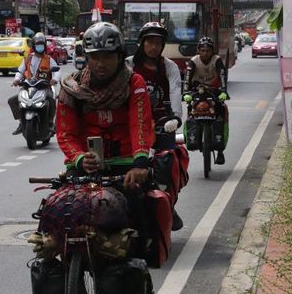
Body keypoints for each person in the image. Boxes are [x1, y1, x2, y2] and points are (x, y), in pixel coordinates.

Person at [56, 21, 154, 190]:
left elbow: (139, 124)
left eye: (107, 57)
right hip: (82, 167)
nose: (100, 64)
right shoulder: (71, 88)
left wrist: (140, 164)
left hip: (127, 163)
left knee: (151, 207)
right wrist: (80, 158)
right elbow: (65, 134)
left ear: (120, 56)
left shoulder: (134, 82)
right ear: (87, 58)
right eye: (94, 57)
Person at [125, 22, 186, 231]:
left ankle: (168, 202)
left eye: (158, 43)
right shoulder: (128, 65)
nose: (154, 47)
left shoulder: (170, 67)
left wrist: (176, 118)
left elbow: (176, 91)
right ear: (141, 43)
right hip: (133, 126)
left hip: (162, 125)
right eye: (150, 42)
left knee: (166, 164)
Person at [184, 36, 229, 165]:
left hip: (213, 90)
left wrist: (224, 91)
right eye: (202, 50)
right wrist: (185, 93)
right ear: (198, 50)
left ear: (212, 51)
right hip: (196, 89)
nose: (205, 53)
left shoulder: (217, 60)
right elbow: (187, 79)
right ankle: (193, 137)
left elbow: (222, 75)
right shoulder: (193, 61)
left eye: (208, 50)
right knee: (190, 110)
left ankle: (220, 151)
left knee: (221, 110)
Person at [8, 32, 61, 135]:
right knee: (13, 100)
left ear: (44, 46)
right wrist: (17, 80)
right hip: (28, 87)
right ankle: (20, 123)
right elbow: (20, 71)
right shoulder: (27, 58)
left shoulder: (49, 59)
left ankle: (50, 123)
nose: (40, 46)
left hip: (44, 87)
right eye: (38, 44)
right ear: (33, 45)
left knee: (51, 99)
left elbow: (57, 72)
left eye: (41, 44)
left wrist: (55, 79)